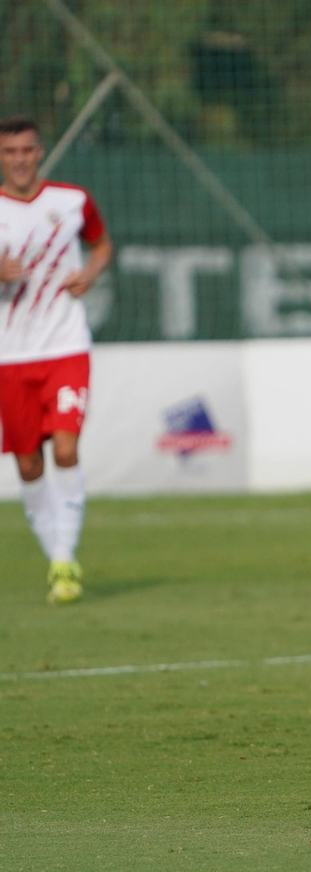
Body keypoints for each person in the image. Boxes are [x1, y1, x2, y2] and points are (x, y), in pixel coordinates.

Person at [0, 115, 112, 604]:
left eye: (27, 150)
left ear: (40, 152)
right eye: (10, 152)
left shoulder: (72, 201)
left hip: (66, 347)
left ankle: (65, 559)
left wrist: (89, 272)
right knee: (29, 464)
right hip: (11, 356)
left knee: (65, 450)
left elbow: (102, 243)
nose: (20, 160)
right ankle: (56, 558)